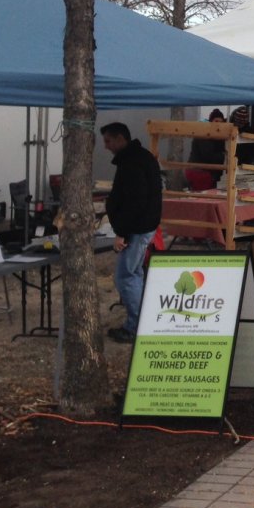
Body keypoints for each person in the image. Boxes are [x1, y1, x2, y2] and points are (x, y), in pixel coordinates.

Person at [100, 122, 162, 344]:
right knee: (134, 275)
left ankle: (136, 327)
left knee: (126, 277)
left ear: (119, 139)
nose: (105, 146)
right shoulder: (139, 158)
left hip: (138, 228)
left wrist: (122, 233)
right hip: (142, 226)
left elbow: (134, 202)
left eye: (108, 141)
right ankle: (143, 322)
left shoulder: (133, 163)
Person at [184, 109, 226, 191]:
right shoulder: (204, 134)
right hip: (199, 172)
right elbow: (208, 156)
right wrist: (223, 156)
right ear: (211, 121)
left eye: (221, 122)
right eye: (216, 121)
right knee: (203, 197)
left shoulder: (217, 136)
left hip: (202, 172)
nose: (218, 124)